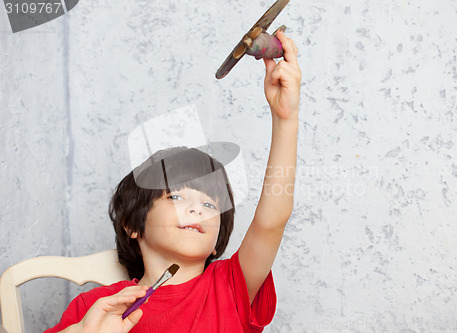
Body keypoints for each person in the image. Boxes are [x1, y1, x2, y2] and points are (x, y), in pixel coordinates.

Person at [45, 30, 301, 333]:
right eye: (176, 197)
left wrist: (286, 118)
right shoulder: (96, 306)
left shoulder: (230, 286)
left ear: (217, 242)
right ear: (132, 224)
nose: (197, 209)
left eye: (209, 203)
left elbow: (272, 221)